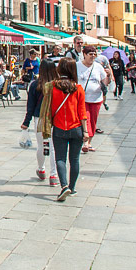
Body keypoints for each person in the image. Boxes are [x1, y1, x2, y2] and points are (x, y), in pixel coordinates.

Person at [40, 58, 87, 201]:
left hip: (59, 128)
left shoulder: (52, 87)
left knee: (60, 158)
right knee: (75, 159)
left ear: (59, 70)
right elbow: (82, 113)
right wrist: (85, 131)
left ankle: (64, 186)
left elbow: (48, 108)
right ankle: (72, 188)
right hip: (76, 128)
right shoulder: (78, 88)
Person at [20, 59, 60, 186]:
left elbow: (30, 106)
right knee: (54, 147)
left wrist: (26, 122)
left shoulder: (35, 84)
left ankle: (41, 169)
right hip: (55, 118)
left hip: (40, 118)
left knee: (42, 145)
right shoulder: (58, 85)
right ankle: (53, 175)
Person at [76, 46, 109, 152]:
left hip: (96, 98)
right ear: (84, 54)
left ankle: (89, 141)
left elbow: (105, 81)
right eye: (90, 54)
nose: (93, 56)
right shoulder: (77, 66)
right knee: (86, 118)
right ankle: (85, 142)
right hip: (82, 98)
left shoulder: (98, 67)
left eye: (94, 54)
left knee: (93, 121)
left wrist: (107, 78)